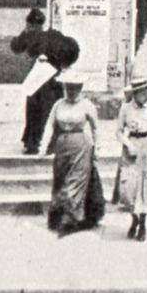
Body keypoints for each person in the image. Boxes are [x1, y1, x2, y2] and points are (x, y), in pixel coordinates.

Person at [10, 9, 79, 154]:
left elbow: (16, 46)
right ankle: (53, 143)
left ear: (30, 23)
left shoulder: (30, 35)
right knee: (52, 110)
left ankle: (34, 143)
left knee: (35, 112)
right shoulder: (55, 35)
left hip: (37, 79)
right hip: (54, 80)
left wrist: (25, 31)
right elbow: (71, 49)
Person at [43, 78, 105, 236]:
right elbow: (50, 125)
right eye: (68, 88)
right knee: (61, 179)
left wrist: (97, 148)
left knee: (75, 181)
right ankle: (59, 216)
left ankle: (71, 219)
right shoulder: (59, 104)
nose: (70, 92)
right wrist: (44, 145)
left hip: (81, 145)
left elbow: (96, 128)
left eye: (74, 88)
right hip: (62, 145)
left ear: (80, 88)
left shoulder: (86, 105)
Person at [112, 75, 147, 242]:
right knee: (130, 188)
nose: (146, 94)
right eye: (142, 92)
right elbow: (119, 131)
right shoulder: (126, 109)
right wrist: (127, 143)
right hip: (131, 147)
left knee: (146, 187)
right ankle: (134, 220)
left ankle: (143, 224)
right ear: (135, 93)